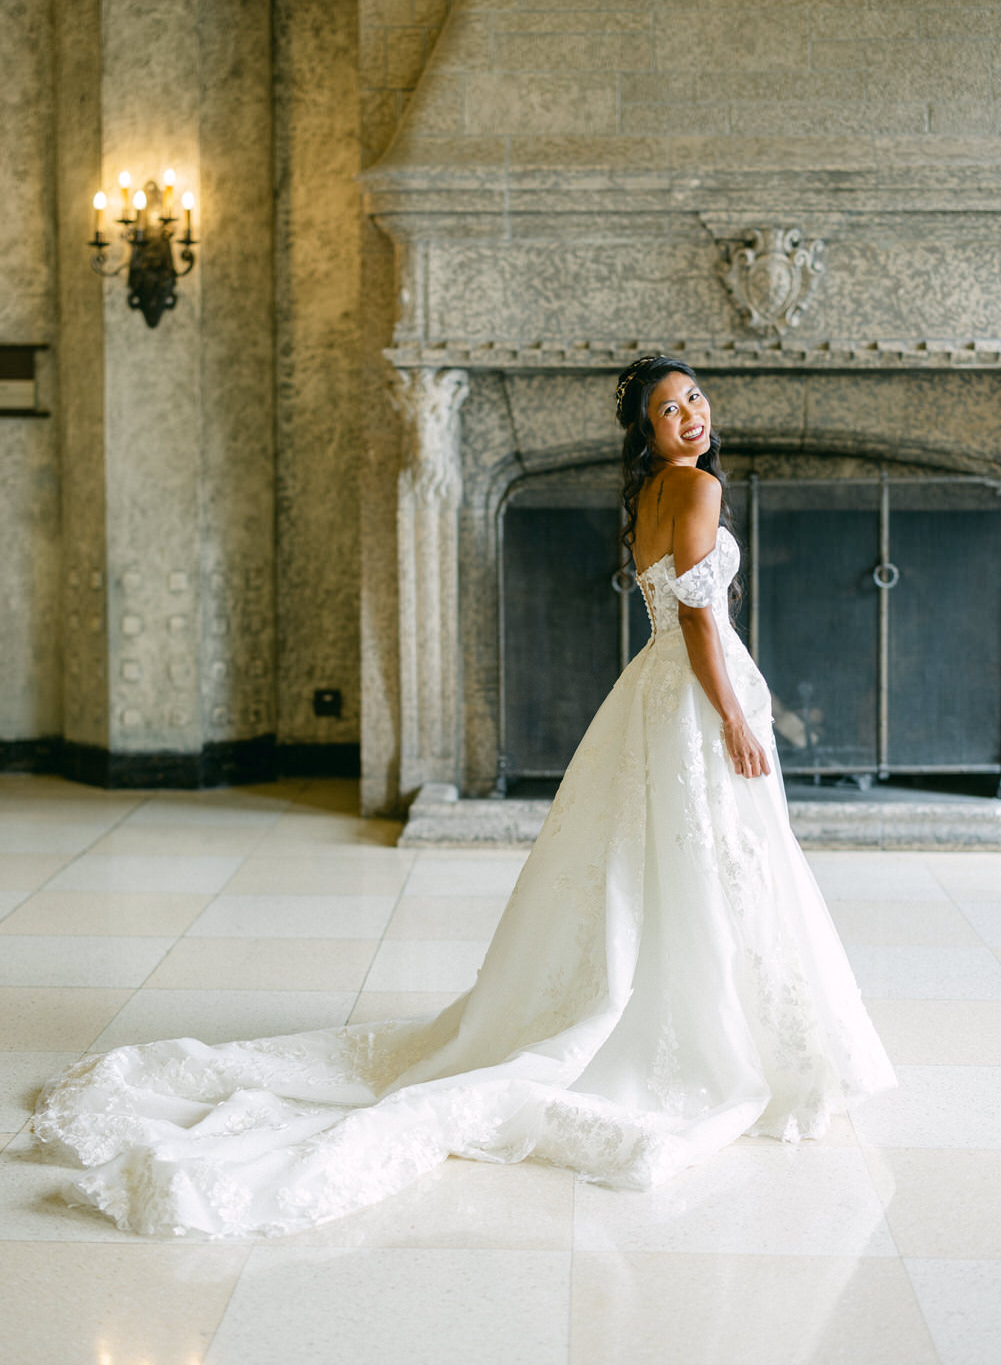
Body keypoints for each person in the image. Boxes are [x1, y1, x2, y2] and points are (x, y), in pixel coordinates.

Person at [33, 355, 897, 1238]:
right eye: (668, 409)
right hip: (694, 692)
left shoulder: (648, 496)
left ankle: (669, 1005)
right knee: (713, 857)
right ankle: (723, 1038)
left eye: (694, 399)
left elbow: (675, 615)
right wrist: (739, 720)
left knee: (676, 858)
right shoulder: (693, 489)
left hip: (652, 690)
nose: (689, 416)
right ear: (646, 430)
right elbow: (700, 621)